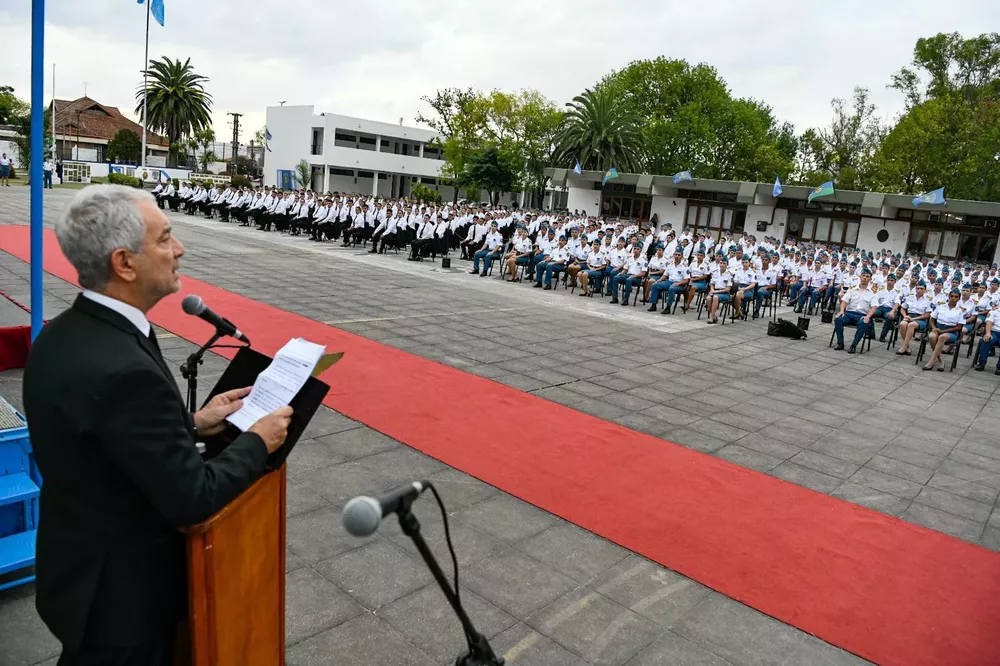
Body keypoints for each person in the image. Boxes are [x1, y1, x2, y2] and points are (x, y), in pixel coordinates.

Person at [23, 185, 294, 666]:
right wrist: (257, 441)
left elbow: (101, 435)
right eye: (166, 238)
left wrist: (192, 423)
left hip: (76, 568)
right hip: (122, 601)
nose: (180, 249)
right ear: (125, 263)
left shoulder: (64, 333)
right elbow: (193, 498)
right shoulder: (125, 368)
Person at [833, 268, 878, 353]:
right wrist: (842, 311)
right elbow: (844, 301)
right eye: (863, 276)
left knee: (864, 323)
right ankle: (840, 343)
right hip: (849, 313)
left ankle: (853, 345)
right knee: (838, 319)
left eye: (867, 276)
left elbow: (874, 307)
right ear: (860, 277)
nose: (865, 278)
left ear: (870, 279)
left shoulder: (872, 292)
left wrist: (868, 316)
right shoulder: (852, 288)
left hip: (862, 315)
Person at [922, 288, 967, 371]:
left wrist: (943, 331)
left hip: (951, 332)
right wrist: (934, 328)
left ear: (958, 298)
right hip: (938, 327)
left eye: (956, 297)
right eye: (952, 296)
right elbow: (932, 318)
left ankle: (931, 361)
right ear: (948, 297)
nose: (953, 298)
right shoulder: (941, 306)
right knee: (932, 336)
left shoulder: (961, 310)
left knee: (942, 337)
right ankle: (940, 360)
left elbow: (959, 327)